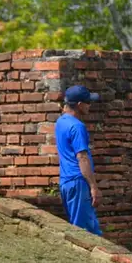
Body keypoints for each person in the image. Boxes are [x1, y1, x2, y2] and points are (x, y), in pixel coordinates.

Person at [55, 85, 103, 236]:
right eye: (88, 102)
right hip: (78, 181)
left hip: (66, 182)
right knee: (85, 232)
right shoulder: (77, 126)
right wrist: (93, 187)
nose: (90, 106)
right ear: (80, 105)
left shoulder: (61, 122)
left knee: (82, 225)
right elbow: (82, 158)